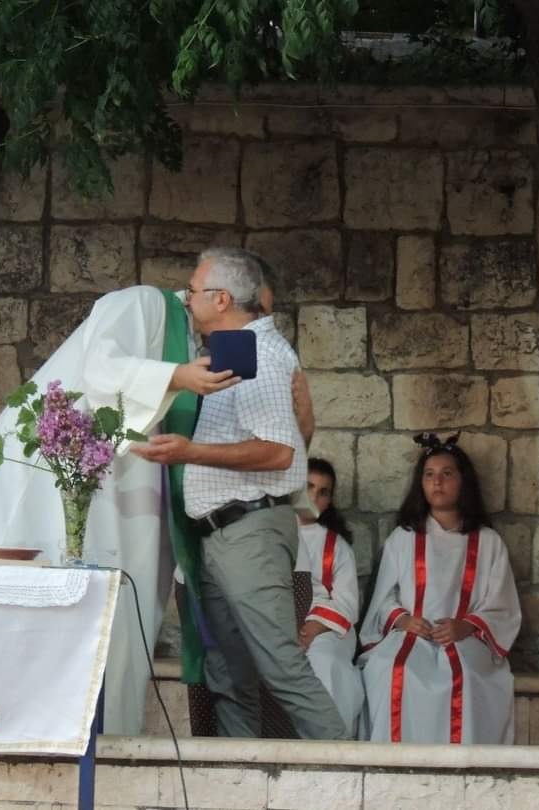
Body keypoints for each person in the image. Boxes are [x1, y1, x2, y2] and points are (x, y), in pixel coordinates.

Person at [0, 284, 237, 735]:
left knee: (116, 624)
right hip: (43, 482)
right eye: (253, 312)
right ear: (222, 299)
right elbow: (102, 368)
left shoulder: (191, 341)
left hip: (114, 488)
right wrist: (176, 376)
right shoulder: (145, 302)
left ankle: (99, 734)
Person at [133, 248, 348, 740]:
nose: (185, 299)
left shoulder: (259, 356)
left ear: (222, 299)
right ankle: (239, 776)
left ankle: (355, 774)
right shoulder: (238, 352)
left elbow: (279, 454)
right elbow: (289, 439)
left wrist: (190, 451)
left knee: (282, 668)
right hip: (223, 533)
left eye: (193, 290)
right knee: (229, 677)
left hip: (248, 530)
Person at [358, 432, 521, 744]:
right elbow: (383, 597)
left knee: (467, 678)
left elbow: (502, 605)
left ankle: (463, 764)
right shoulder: (404, 538)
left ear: (463, 481)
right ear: (420, 483)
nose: (437, 482)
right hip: (412, 633)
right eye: (429, 475)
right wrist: (403, 619)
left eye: (447, 474)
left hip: (465, 639)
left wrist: (466, 626)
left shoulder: (488, 542)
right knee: (393, 669)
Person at [294, 458, 363, 738]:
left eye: (323, 492)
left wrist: (312, 628)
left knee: (324, 661)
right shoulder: (273, 532)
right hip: (281, 619)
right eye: (309, 487)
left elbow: (347, 603)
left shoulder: (337, 546)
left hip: (326, 625)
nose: (314, 497)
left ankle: (331, 741)